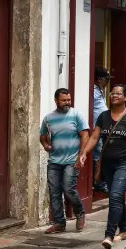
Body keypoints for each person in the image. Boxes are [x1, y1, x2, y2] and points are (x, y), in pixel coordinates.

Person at [81, 84, 126, 249]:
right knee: (115, 196)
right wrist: (84, 153)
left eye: (119, 93)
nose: (115, 95)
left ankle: (109, 234)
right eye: (113, 93)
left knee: (116, 195)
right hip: (107, 164)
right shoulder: (103, 117)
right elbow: (95, 137)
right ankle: (123, 230)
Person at [40, 88, 89, 234]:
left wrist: (81, 155)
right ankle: (59, 223)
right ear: (56, 101)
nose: (67, 102)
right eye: (64, 100)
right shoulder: (48, 118)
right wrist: (46, 145)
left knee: (68, 188)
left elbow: (85, 135)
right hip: (54, 161)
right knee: (54, 192)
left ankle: (80, 213)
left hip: (71, 161)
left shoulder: (76, 115)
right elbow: (42, 136)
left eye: (69, 100)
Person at [91, 67, 111, 194]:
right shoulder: (93, 91)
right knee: (98, 155)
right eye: (106, 80)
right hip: (96, 130)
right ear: (99, 80)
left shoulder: (100, 90)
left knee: (103, 154)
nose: (108, 83)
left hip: (103, 129)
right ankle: (98, 182)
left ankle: (102, 181)